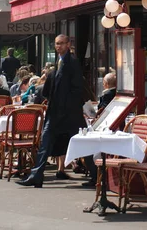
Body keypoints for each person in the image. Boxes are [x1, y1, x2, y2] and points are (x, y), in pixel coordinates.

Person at [17, 34, 85, 187]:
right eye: (56, 43)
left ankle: (96, 175)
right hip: (56, 112)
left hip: (68, 113)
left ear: (68, 44)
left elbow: (76, 89)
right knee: (45, 143)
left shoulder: (72, 63)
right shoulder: (59, 62)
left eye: (61, 43)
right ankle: (36, 175)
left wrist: (67, 107)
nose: (58, 46)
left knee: (82, 143)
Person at [81, 73, 117, 188]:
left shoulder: (107, 95)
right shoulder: (116, 94)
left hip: (105, 128)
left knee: (88, 146)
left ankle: (96, 176)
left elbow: (103, 110)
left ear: (105, 84)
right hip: (109, 127)